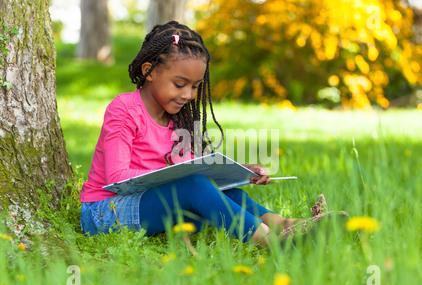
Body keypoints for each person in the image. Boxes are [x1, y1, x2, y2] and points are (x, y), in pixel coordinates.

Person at [79, 21, 320, 248]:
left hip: (151, 204)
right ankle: (271, 242)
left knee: (221, 190)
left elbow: (194, 167)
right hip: (104, 212)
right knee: (194, 185)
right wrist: (183, 179)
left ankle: (283, 224)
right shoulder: (124, 110)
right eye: (180, 84)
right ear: (148, 71)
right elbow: (118, 176)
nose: (189, 95)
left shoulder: (179, 118)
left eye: (195, 86)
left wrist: (241, 171)